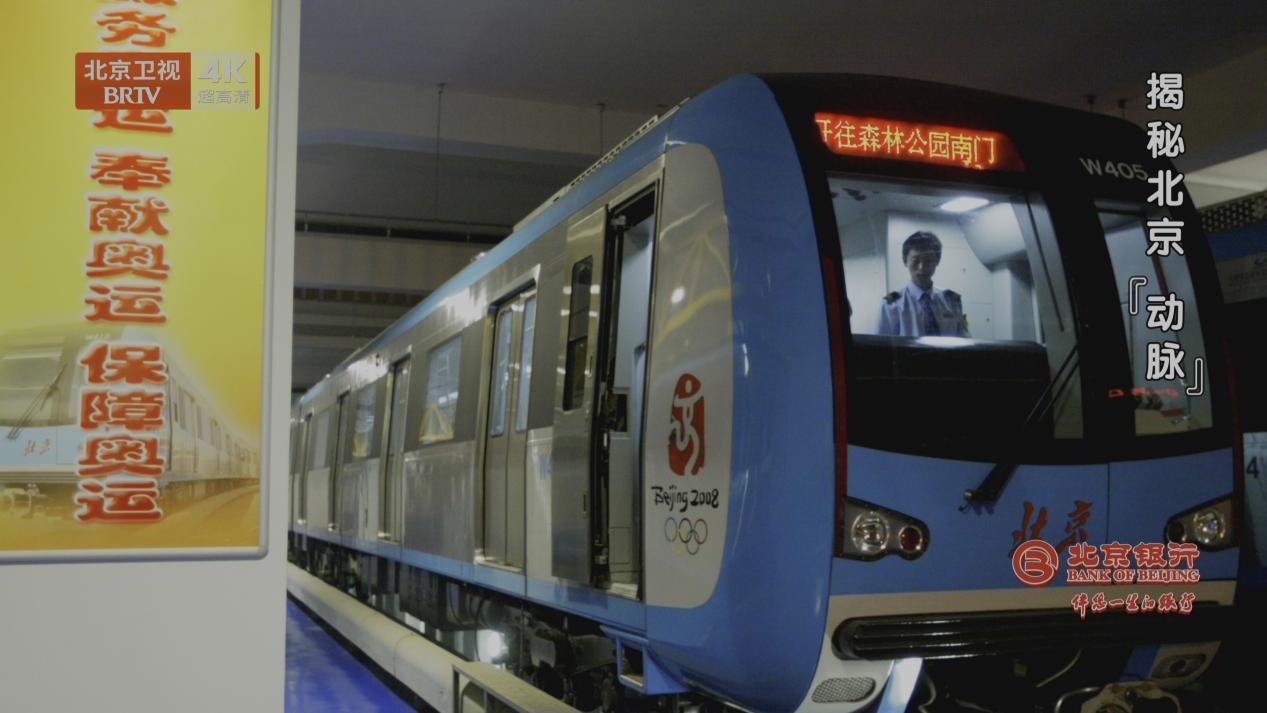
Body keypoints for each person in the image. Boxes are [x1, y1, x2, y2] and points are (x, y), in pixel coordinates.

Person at [877, 231, 970, 337]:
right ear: (905, 261)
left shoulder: (952, 301)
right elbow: (881, 343)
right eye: (915, 260)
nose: (921, 267)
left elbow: (965, 338)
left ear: (937, 261)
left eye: (928, 260)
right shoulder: (891, 304)